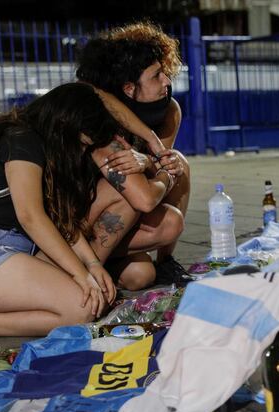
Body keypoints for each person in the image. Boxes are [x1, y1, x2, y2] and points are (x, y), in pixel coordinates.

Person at [0, 83, 125, 337]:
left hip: (10, 249)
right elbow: (31, 217)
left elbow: (57, 219)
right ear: (63, 126)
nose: (81, 153)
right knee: (81, 310)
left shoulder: (38, 142)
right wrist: (81, 274)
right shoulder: (22, 139)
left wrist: (92, 265)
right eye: (81, 144)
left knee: (94, 298)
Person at [76, 23, 192, 288]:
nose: (167, 81)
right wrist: (152, 159)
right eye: (157, 75)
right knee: (144, 206)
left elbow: (162, 161)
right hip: (86, 215)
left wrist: (150, 160)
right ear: (128, 88)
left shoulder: (168, 109)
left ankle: (165, 262)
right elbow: (144, 198)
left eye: (165, 72)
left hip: (128, 204)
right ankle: (85, 266)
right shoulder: (99, 115)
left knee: (142, 275)